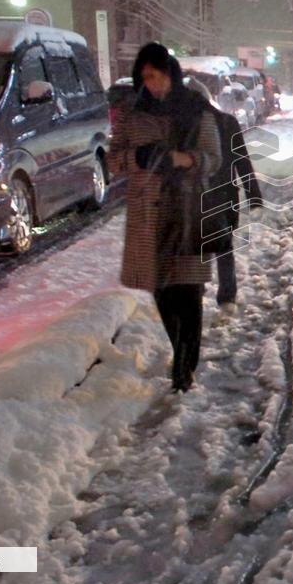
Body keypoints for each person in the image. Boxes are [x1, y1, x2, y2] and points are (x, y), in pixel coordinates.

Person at [109, 43, 222, 392]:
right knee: (162, 290)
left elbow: (213, 159)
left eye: (157, 75)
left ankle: (184, 368)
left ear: (170, 74)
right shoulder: (132, 114)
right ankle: (180, 350)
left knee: (187, 291)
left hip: (187, 210)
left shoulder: (194, 111)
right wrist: (137, 157)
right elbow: (112, 162)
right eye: (145, 77)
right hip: (148, 216)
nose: (152, 83)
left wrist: (182, 159)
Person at [201, 89, 263, 318]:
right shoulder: (227, 122)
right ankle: (227, 297)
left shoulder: (182, 125)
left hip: (198, 198)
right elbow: (242, 160)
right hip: (225, 195)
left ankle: (199, 294)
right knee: (224, 248)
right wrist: (252, 195)